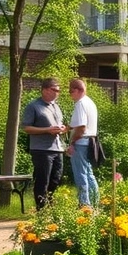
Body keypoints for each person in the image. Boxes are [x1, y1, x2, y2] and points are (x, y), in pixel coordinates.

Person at [21, 78, 67, 210]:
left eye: (59, 90)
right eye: (55, 90)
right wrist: (47, 130)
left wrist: (61, 129)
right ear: (45, 90)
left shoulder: (56, 106)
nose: (58, 93)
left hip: (57, 148)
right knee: (43, 180)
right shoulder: (33, 106)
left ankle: (49, 207)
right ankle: (41, 210)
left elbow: (58, 125)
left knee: (56, 179)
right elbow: (26, 128)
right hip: (41, 150)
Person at [66, 79, 99, 208]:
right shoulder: (89, 102)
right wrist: (67, 128)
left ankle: (84, 205)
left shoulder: (80, 103)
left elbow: (81, 127)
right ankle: (94, 203)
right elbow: (78, 124)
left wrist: (72, 142)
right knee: (88, 173)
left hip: (81, 142)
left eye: (71, 91)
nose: (70, 94)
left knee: (80, 173)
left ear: (79, 90)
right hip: (90, 142)